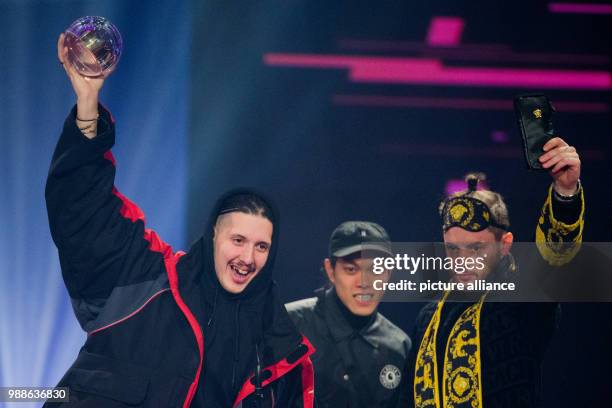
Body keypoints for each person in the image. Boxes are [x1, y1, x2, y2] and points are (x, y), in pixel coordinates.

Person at [45, 33, 314, 408]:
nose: (247, 257)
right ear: (212, 236)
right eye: (238, 240)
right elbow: (81, 208)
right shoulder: (147, 278)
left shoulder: (278, 342)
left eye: (261, 246)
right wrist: (87, 104)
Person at [405, 139, 584, 408]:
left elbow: (554, 260)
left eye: (476, 248)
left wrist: (565, 192)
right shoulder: (428, 317)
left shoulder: (521, 302)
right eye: (453, 249)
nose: (463, 261)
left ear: (505, 245)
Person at [286, 221, 411, 407]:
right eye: (351, 269)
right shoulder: (290, 324)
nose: (364, 282)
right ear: (330, 270)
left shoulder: (399, 347)